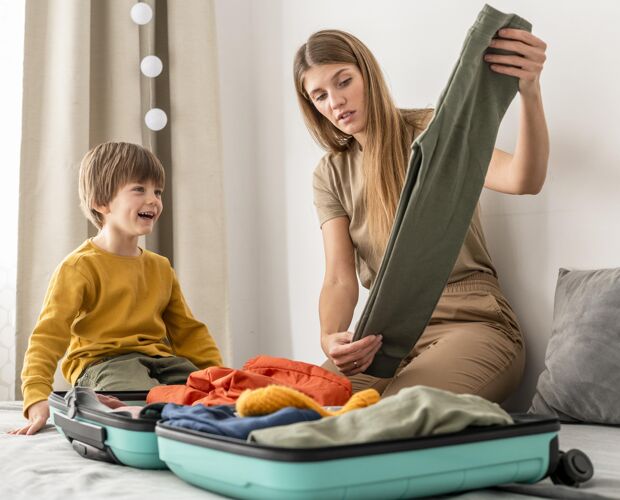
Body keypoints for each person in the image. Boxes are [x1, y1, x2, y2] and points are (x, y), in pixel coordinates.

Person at [294, 28, 548, 403]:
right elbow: (338, 278)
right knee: (298, 408)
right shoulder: (330, 173)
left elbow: (522, 178)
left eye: (344, 81)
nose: (336, 102)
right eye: (320, 95)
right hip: (382, 337)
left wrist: (529, 90)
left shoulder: (431, 130)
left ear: (367, 74)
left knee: (396, 412)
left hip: (471, 320)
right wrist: (330, 338)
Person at [9, 142, 223, 435]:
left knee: (204, 391)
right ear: (102, 202)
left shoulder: (160, 267)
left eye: (157, 192)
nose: (153, 200)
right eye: (139, 189)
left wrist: (217, 377)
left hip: (158, 360)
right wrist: (35, 396)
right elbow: (49, 335)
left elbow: (188, 331)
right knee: (142, 396)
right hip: (101, 363)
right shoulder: (80, 267)